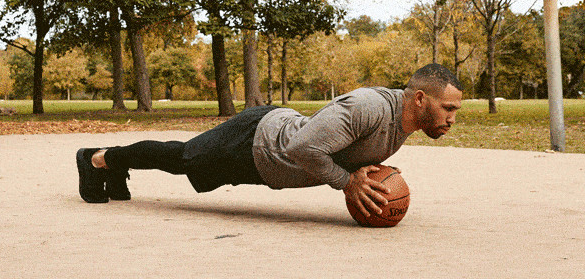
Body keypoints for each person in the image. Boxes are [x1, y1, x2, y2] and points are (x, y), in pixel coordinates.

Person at [76, 63, 462, 218]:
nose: (451, 118)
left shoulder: (402, 124)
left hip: (268, 161)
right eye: (448, 108)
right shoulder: (368, 107)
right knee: (183, 158)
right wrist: (348, 183)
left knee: (184, 160)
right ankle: (97, 160)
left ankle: (111, 166)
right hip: (257, 141)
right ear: (419, 99)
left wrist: (364, 177)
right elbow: (301, 148)